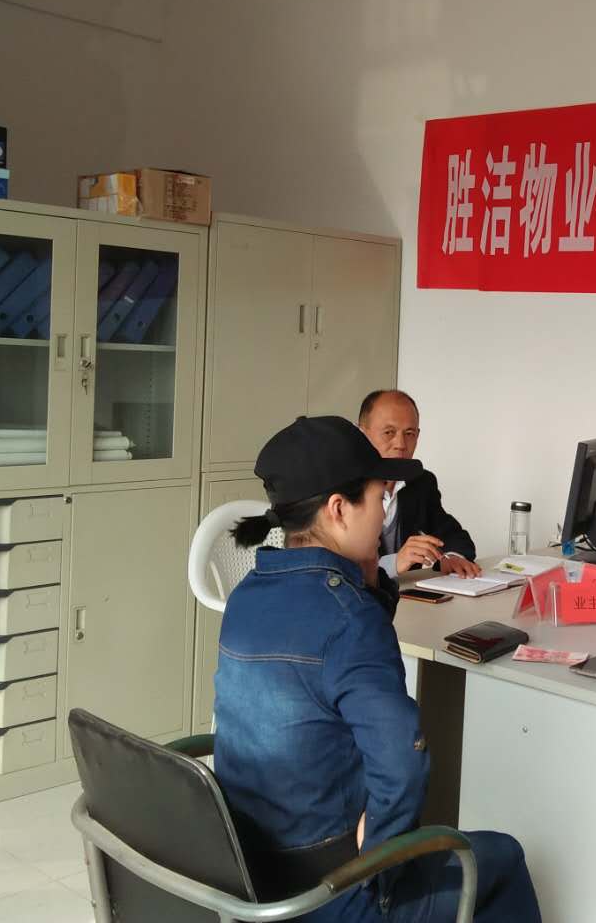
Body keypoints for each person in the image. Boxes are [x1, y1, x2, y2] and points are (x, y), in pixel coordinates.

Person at [214, 415, 541, 923]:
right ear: (339, 509)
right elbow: (404, 767)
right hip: (329, 892)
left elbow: (332, 660)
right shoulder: (349, 619)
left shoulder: (247, 596)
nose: (384, 512)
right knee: (504, 855)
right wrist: (378, 873)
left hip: (253, 874)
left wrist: (369, 586)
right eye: (378, 498)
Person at [359, 389, 481, 579]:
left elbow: (454, 536)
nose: (401, 444)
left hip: (407, 595)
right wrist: (394, 563)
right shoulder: (341, 489)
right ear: (361, 434)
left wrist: (451, 557)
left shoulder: (421, 482)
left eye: (409, 433)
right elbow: (333, 566)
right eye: (389, 432)